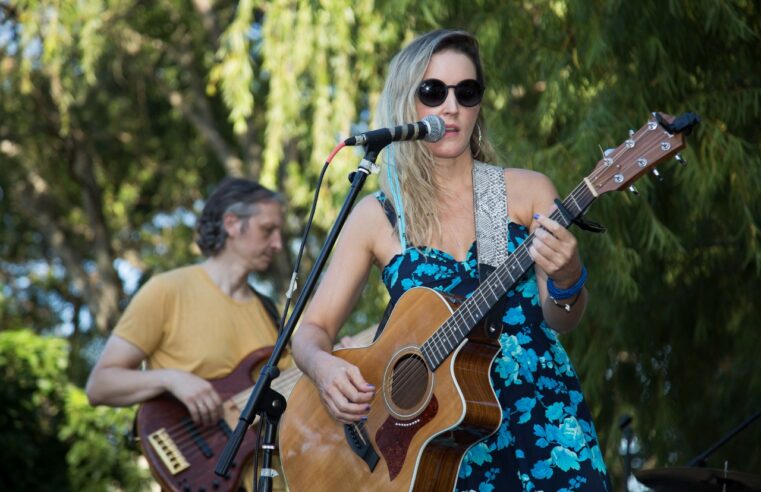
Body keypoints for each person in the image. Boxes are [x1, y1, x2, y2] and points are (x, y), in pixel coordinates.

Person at [290, 29, 612, 491]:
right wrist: (324, 369)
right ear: (406, 102)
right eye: (433, 91)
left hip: (542, 422)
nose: (451, 106)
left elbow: (562, 320)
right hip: (436, 450)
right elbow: (311, 331)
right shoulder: (377, 216)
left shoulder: (524, 192)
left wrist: (567, 276)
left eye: (467, 91)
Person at [86, 177, 289, 492]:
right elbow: (100, 385)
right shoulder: (167, 290)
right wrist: (171, 379)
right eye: (267, 230)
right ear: (232, 224)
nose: (278, 243)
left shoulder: (273, 314)